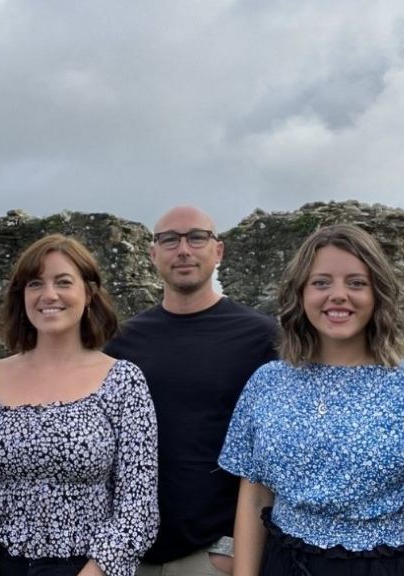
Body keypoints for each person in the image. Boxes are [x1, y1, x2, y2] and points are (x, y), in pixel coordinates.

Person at [219, 224, 404, 576]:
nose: (338, 295)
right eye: (321, 282)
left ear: (378, 295)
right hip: (283, 564)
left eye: (356, 283)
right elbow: (254, 498)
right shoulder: (267, 382)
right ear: (300, 294)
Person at [0, 234, 158, 576]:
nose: (48, 295)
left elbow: (138, 505)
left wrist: (97, 572)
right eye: (35, 283)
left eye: (63, 282)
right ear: (22, 297)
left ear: (88, 293)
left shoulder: (123, 381)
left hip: (85, 568)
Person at [103, 206, 279, 576]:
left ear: (218, 251)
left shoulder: (262, 338)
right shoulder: (122, 343)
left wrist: (235, 551)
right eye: (170, 239)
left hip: (213, 555)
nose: (183, 249)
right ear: (153, 254)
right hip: (131, 557)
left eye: (196, 237)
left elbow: (277, 453)